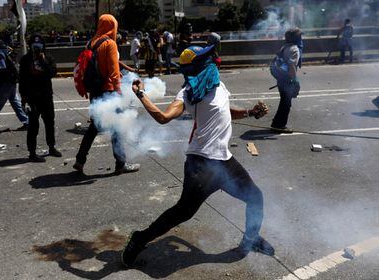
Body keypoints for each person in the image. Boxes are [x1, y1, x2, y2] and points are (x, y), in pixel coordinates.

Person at [122, 45, 273, 267]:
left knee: (255, 197)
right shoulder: (188, 93)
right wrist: (140, 94)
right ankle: (139, 239)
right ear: (198, 66)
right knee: (183, 212)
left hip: (225, 161)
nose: (214, 60)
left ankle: (251, 239)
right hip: (202, 164)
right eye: (207, 58)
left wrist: (250, 112)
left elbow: (225, 111)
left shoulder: (219, 85)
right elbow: (164, 117)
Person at [72, 14, 139, 174]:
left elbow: (103, 62)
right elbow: (113, 73)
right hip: (108, 91)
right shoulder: (110, 43)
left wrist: (124, 67)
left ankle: (80, 161)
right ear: (112, 26)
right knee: (116, 128)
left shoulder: (92, 42)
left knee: (94, 128)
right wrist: (119, 92)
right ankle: (121, 164)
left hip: (95, 90)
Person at [19, 34, 62, 162]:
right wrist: (23, 98)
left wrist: (42, 61)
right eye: (34, 45)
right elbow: (21, 79)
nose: (37, 47)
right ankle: (32, 152)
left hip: (46, 96)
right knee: (33, 125)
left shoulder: (48, 58)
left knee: (49, 122)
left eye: (39, 45)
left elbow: (52, 73)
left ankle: (51, 147)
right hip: (32, 98)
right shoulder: (25, 60)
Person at [270, 27, 302, 133]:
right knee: (286, 103)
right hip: (287, 79)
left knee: (284, 101)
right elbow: (292, 65)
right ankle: (279, 125)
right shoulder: (294, 49)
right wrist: (295, 81)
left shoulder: (284, 47)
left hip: (280, 78)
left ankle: (277, 123)